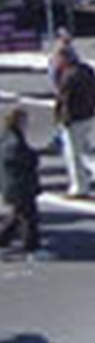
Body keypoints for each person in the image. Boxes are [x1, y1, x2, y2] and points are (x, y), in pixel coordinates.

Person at [50, 42, 95, 197]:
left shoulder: (68, 76)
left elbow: (64, 101)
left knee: (72, 154)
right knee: (83, 146)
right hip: (89, 115)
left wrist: (61, 119)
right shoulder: (87, 70)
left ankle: (79, 187)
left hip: (74, 119)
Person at [0, 106, 43, 258]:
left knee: (18, 215)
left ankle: (4, 239)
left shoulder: (8, 137)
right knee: (29, 217)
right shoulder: (14, 142)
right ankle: (32, 247)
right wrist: (33, 157)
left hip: (14, 185)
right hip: (19, 185)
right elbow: (23, 159)